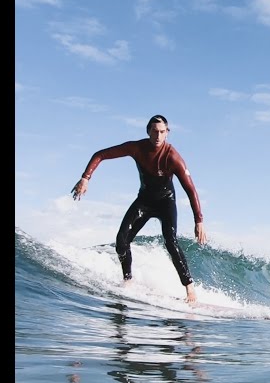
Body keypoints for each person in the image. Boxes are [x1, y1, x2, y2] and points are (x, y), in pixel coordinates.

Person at [71, 114, 208, 303]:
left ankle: (190, 290)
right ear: (148, 131)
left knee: (170, 241)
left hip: (166, 201)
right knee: (121, 240)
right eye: (154, 131)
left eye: (162, 132)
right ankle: (128, 281)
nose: (158, 136)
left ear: (167, 133)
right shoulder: (137, 148)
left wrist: (199, 220)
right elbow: (100, 154)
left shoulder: (173, 157)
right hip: (144, 201)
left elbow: (191, 190)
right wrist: (85, 177)